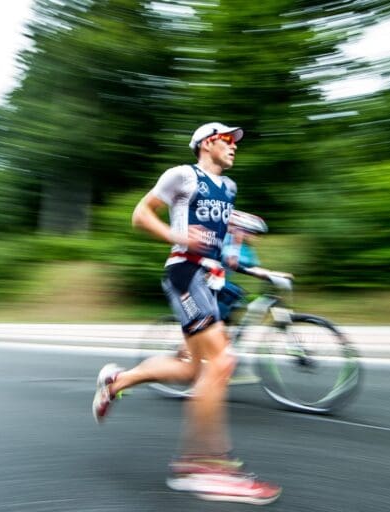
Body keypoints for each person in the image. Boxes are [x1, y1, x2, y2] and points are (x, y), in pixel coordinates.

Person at [92, 122, 281, 505]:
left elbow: (221, 239)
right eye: (228, 140)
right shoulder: (182, 175)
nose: (234, 147)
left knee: (193, 368)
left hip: (209, 279)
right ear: (207, 142)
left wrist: (250, 261)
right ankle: (203, 464)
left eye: (234, 142)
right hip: (185, 272)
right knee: (222, 362)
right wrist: (179, 237)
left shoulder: (229, 188)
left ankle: (115, 382)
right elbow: (141, 214)